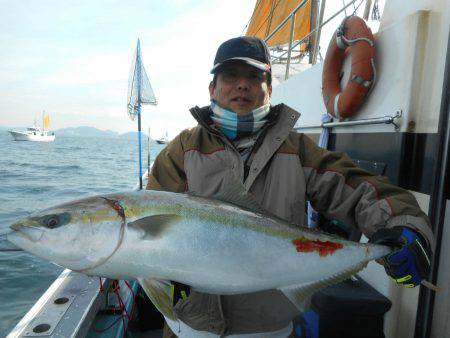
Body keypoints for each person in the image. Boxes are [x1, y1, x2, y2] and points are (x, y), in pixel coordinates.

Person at [146, 36, 434, 338]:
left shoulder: (296, 150)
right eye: (230, 75)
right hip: (190, 326)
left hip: (268, 328)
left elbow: (357, 189)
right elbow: (153, 221)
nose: (242, 85)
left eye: (255, 77)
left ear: (269, 89)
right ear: (212, 88)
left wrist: (405, 225)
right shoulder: (183, 150)